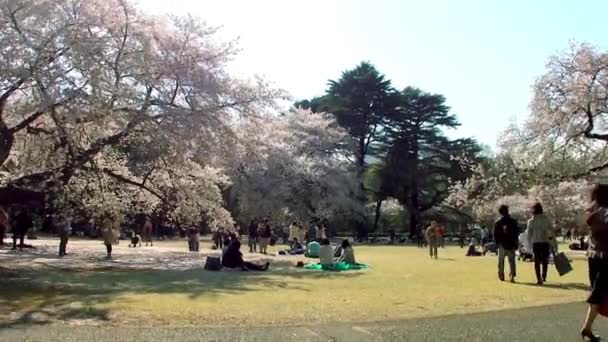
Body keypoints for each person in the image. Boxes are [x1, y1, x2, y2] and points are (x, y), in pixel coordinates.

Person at [580, 184, 608, 341]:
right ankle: (586, 327)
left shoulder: (593, 212)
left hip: (593, 257)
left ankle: (587, 328)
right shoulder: (605, 212)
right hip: (605, 258)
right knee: (599, 294)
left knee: (598, 293)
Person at [527, 202, 556, 286]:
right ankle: (544, 275)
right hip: (545, 242)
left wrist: (529, 244)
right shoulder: (546, 219)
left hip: (536, 242)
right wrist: (553, 243)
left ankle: (538, 278)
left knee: (537, 261)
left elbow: (529, 234)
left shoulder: (531, 221)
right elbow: (551, 231)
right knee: (544, 260)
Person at [494, 205, 519, 282]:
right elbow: (516, 232)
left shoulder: (498, 222)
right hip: (511, 243)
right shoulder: (513, 221)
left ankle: (501, 274)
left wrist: (497, 243)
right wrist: (515, 242)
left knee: (501, 261)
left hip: (502, 244)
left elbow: (495, 234)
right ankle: (512, 275)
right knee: (511, 261)